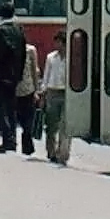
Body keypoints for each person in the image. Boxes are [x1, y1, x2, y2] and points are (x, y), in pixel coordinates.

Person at [0, 2, 27, 153]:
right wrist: (19, 73)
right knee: (11, 108)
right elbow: (23, 53)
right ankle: (13, 139)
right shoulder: (19, 29)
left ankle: (7, 138)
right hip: (14, 75)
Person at [40, 31, 69, 163]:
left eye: (57, 42)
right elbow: (46, 76)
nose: (55, 45)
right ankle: (51, 152)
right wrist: (43, 93)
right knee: (51, 125)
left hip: (66, 93)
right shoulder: (51, 57)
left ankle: (62, 153)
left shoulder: (71, 58)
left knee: (64, 125)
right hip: (52, 92)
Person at [14, 40, 41, 156]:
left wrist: (36, 90)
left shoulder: (30, 50)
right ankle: (21, 142)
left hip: (28, 88)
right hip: (14, 89)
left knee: (29, 119)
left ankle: (27, 144)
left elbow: (35, 70)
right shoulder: (12, 50)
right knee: (20, 118)